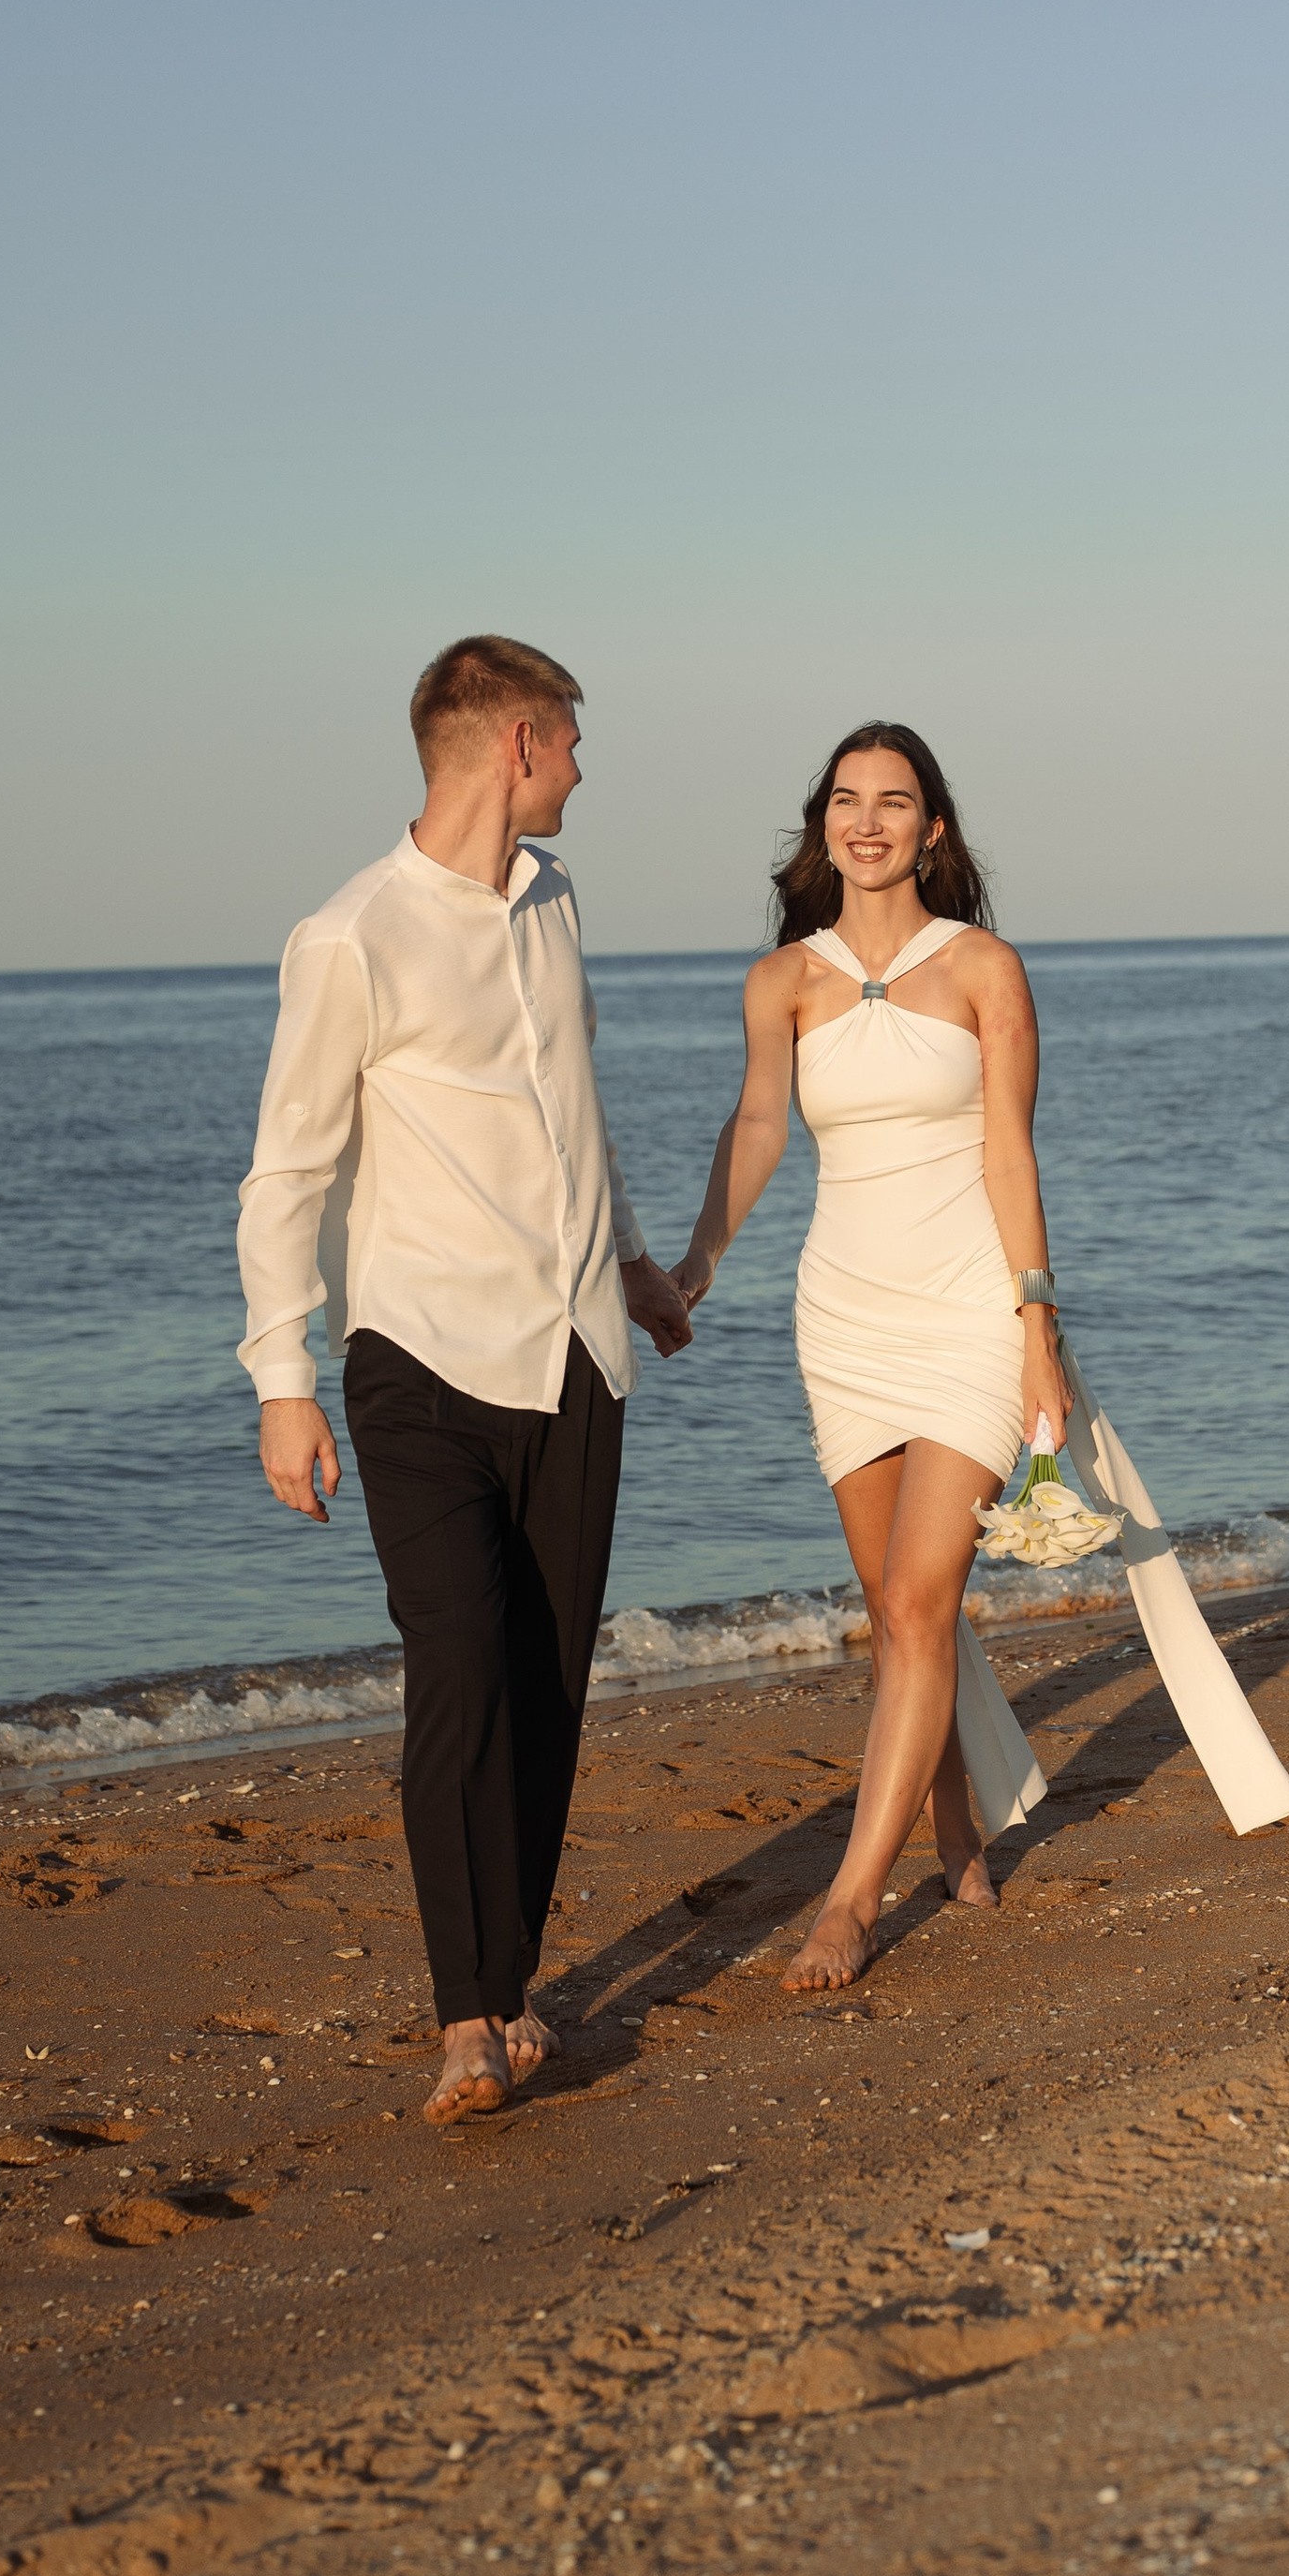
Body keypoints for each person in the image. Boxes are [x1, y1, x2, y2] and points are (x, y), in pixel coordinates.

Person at [235, 634, 692, 2117]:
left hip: (572, 1350)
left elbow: (578, 1110)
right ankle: (458, 2024)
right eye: (570, 739)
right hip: (418, 1361)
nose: (584, 767)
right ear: (515, 745)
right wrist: (282, 1381)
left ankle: (511, 1986)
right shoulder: (352, 934)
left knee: (548, 1681)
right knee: (460, 1669)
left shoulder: (555, 903)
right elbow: (284, 1175)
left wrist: (626, 1259)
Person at [672, 721, 1060, 1991]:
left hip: (965, 1315)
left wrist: (1036, 1328)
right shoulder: (784, 981)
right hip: (843, 1317)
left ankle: (848, 1901)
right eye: (848, 800)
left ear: (933, 829)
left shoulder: (985, 970)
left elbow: (1010, 1154)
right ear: (821, 823)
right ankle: (953, 1819)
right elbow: (759, 1125)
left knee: (914, 1604)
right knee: (898, 1615)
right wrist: (695, 1266)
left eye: (896, 802)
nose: (870, 821)